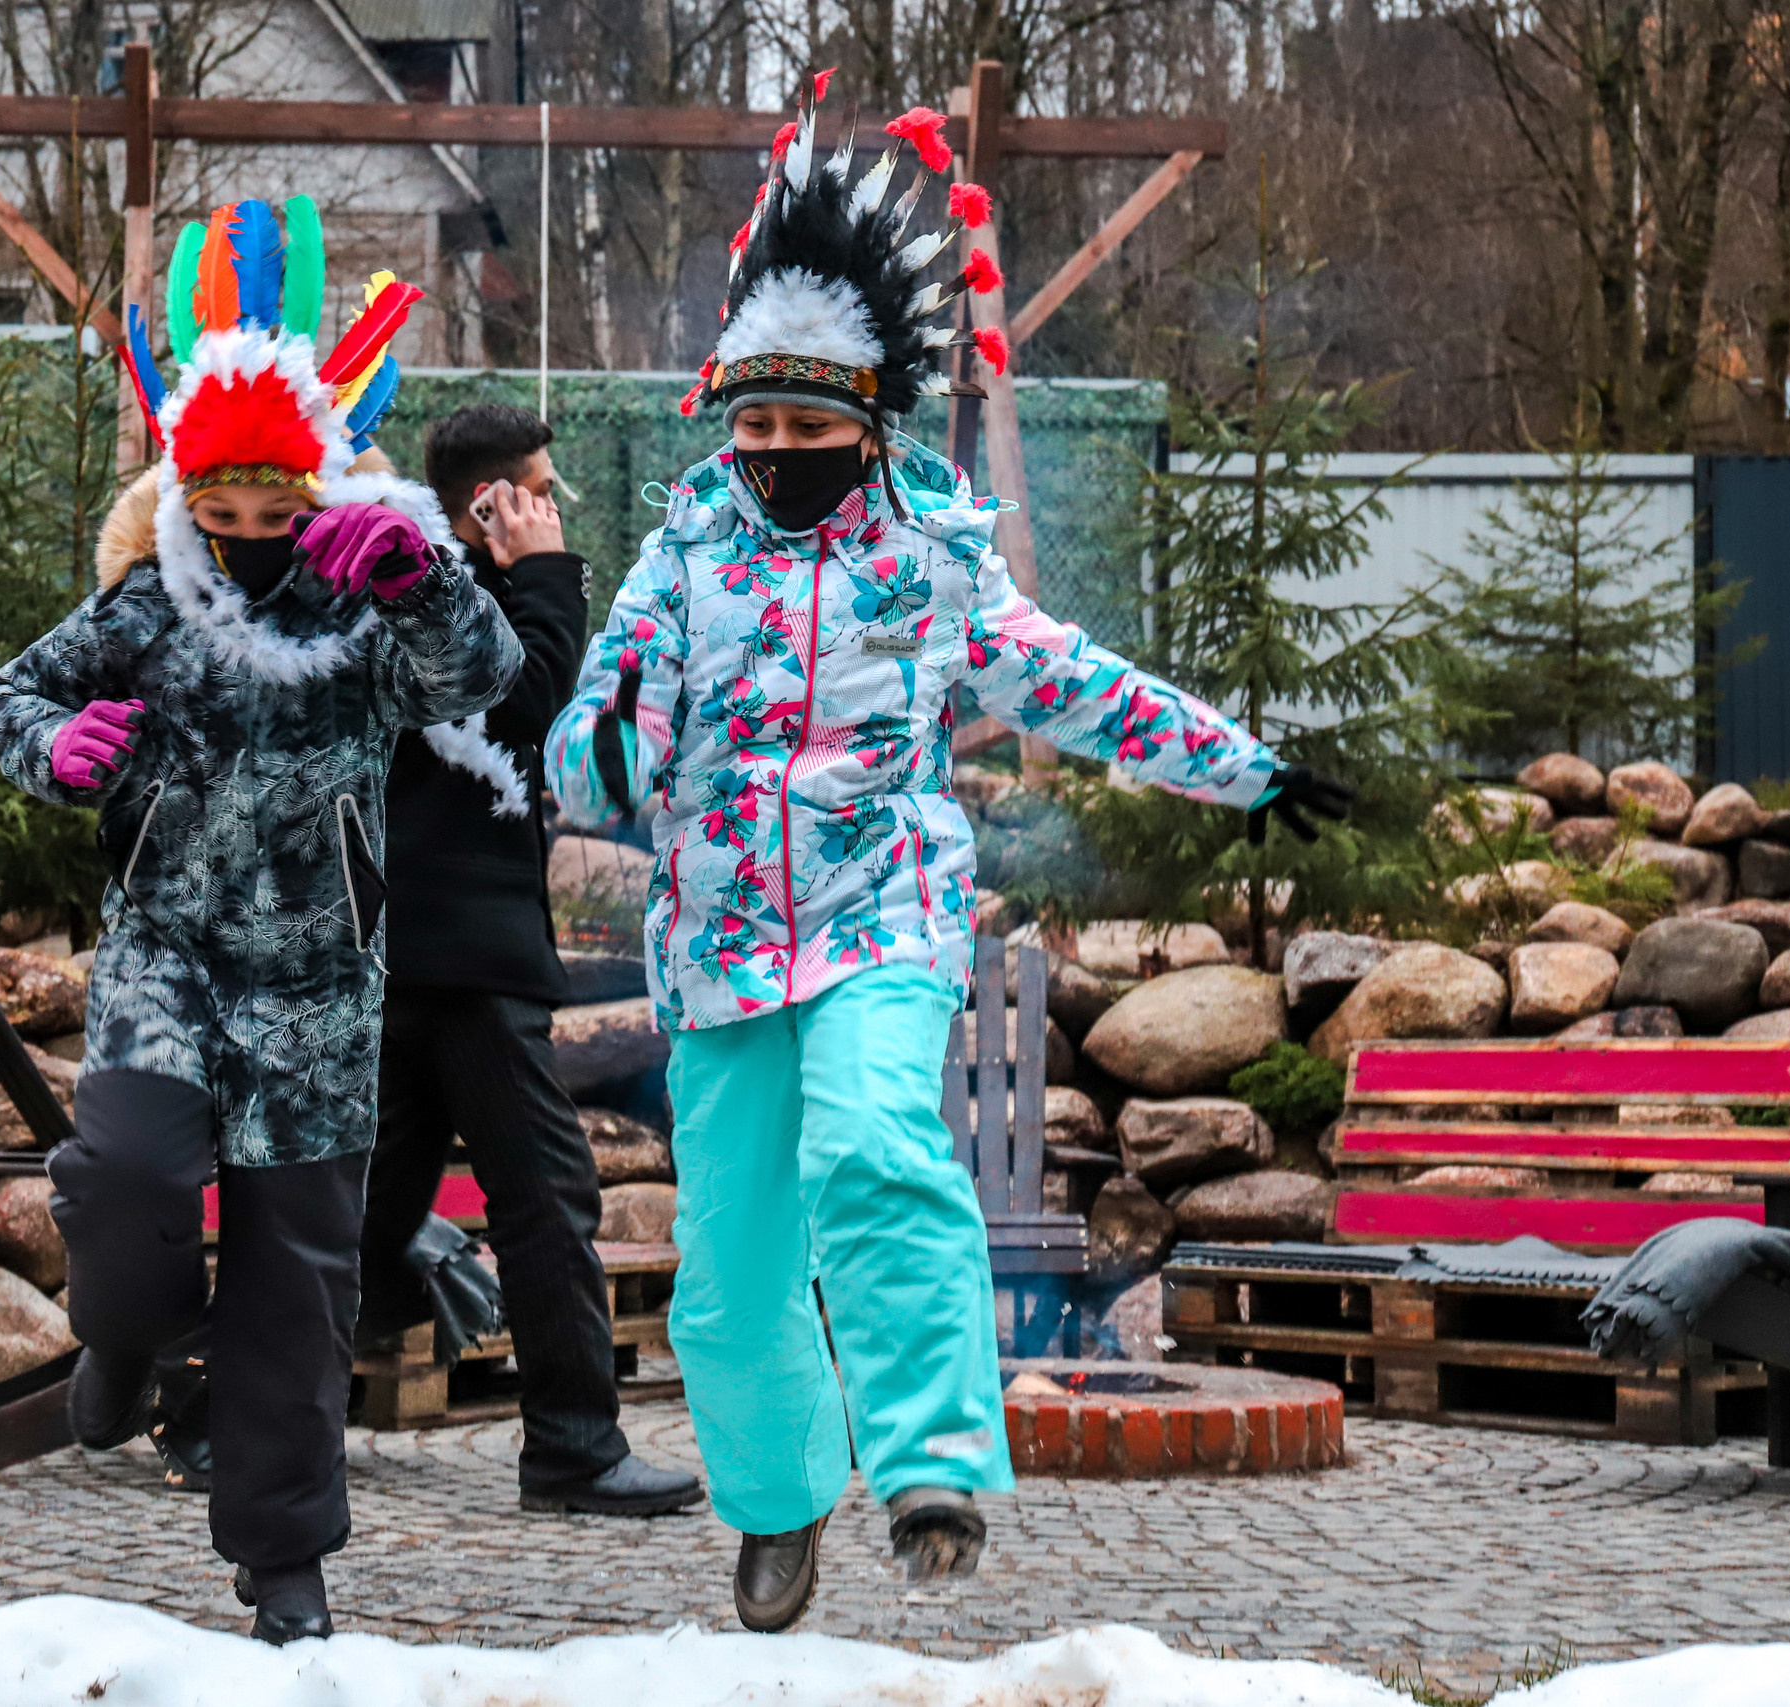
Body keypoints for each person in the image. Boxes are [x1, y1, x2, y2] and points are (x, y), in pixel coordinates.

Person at [542, 96, 1352, 1634]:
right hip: (717, 950)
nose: (777, 451)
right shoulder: (683, 555)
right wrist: (608, 746)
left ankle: (928, 1464)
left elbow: (1075, 680)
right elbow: (592, 733)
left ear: (868, 420)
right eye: (755, 427)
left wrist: (1241, 767)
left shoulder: (934, 560)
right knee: (729, 1270)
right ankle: (781, 1502)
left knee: (876, 1150)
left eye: (808, 427)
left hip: (879, 916)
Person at [0, 197, 519, 1646]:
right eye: (217, 514)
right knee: (129, 1172)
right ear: (182, 498)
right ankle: (127, 1336)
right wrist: (61, 748)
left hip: (324, 986)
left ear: (320, 490)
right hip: (165, 957)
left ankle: (286, 1567)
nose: (246, 539)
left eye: (274, 514)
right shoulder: (148, 604)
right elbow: (11, 698)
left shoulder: (368, 608)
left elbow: (482, 674)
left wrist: (423, 580)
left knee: (297, 1281)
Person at [358, 402, 703, 1517]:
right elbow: (526, 708)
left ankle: (231, 1407)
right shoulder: (438, 597)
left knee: (369, 1208)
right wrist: (550, 573)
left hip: (429, 944)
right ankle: (571, 1447)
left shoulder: (434, 585)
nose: (557, 509)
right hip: (459, 954)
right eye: (541, 490)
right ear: (492, 504)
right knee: (549, 1200)